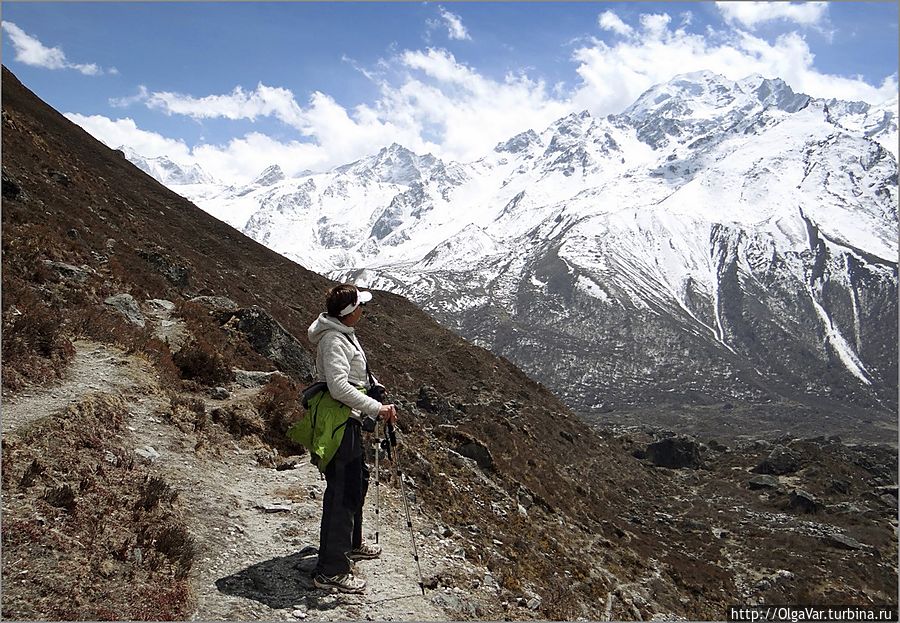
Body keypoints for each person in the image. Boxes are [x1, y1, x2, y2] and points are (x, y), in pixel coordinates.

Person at [306, 283, 397, 594]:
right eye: (362, 306)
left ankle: (352, 543)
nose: (364, 310)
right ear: (348, 313)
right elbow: (338, 387)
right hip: (339, 422)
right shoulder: (333, 339)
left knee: (358, 480)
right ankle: (330, 569)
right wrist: (376, 407)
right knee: (342, 493)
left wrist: (374, 386)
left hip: (349, 421)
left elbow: (354, 375)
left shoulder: (344, 333)